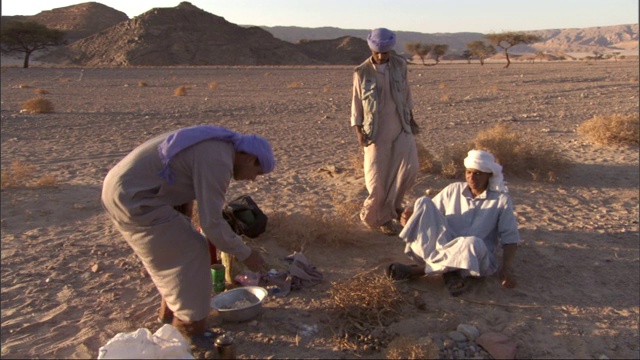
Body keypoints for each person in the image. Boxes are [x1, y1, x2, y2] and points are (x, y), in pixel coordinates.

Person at [101, 125, 275, 342]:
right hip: (135, 199)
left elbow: (182, 177)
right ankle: (191, 328)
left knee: (176, 251)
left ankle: (168, 314)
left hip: (127, 190)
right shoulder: (218, 160)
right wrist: (247, 254)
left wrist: (185, 218)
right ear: (250, 159)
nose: (253, 179)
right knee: (193, 251)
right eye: (257, 173)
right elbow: (211, 223)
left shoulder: (218, 148)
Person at [386, 149, 521, 296]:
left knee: (472, 242)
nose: (471, 177)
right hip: (444, 245)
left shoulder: (501, 200)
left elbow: (510, 238)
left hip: (475, 255)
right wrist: (410, 217)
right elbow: (431, 216)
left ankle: (416, 271)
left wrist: (506, 269)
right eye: (469, 172)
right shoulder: (453, 189)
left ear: (489, 175)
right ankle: (451, 271)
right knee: (423, 203)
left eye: (478, 173)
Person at [350, 27, 419, 236]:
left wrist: (412, 118)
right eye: (377, 52)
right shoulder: (361, 72)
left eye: (385, 53)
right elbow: (356, 102)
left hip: (400, 125)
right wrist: (358, 130)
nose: (381, 56)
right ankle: (378, 217)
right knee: (376, 177)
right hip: (375, 131)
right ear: (371, 50)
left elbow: (406, 92)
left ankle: (393, 207)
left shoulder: (400, 65)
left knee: (408, 168)